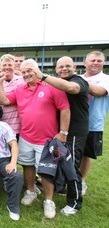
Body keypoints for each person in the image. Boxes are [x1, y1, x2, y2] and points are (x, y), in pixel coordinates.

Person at [0, 59, 71, 219]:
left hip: (46, 140)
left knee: (46, 171)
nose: (27, 74)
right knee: (27, 166)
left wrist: (63, 132)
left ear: (38, 70)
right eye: (23, 72)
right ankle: (30, 191)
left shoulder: (51, 86)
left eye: (30, 70)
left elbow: (65, 109)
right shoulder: (20, 89)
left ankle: (49, 201)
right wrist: (0, 83)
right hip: (26, 137)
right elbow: (4, 101)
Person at [34, 56, 89, 216]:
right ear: (56, 69)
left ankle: (75, 203)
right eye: (60, 67)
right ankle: (63, 190)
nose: (64, 69)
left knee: (72, 167)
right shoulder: (57, 82)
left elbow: (71, 88)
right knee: (63, 165)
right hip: (60, 131)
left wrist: (43, 76)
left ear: (75, 67)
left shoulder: (78, 80)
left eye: (67, 66)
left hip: (74, 132)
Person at [80, 51, 109, 195]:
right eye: (93, 60)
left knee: (86, 154)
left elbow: (98, 92)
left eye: (99, 60)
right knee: (73, 153)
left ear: (103, 63)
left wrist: (79, 83)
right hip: (76, 123)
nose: (96, 63)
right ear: (85, 63)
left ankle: (82, 181)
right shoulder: (78, 78)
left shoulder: (105, 79)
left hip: (93, 124)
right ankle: (71, 179)